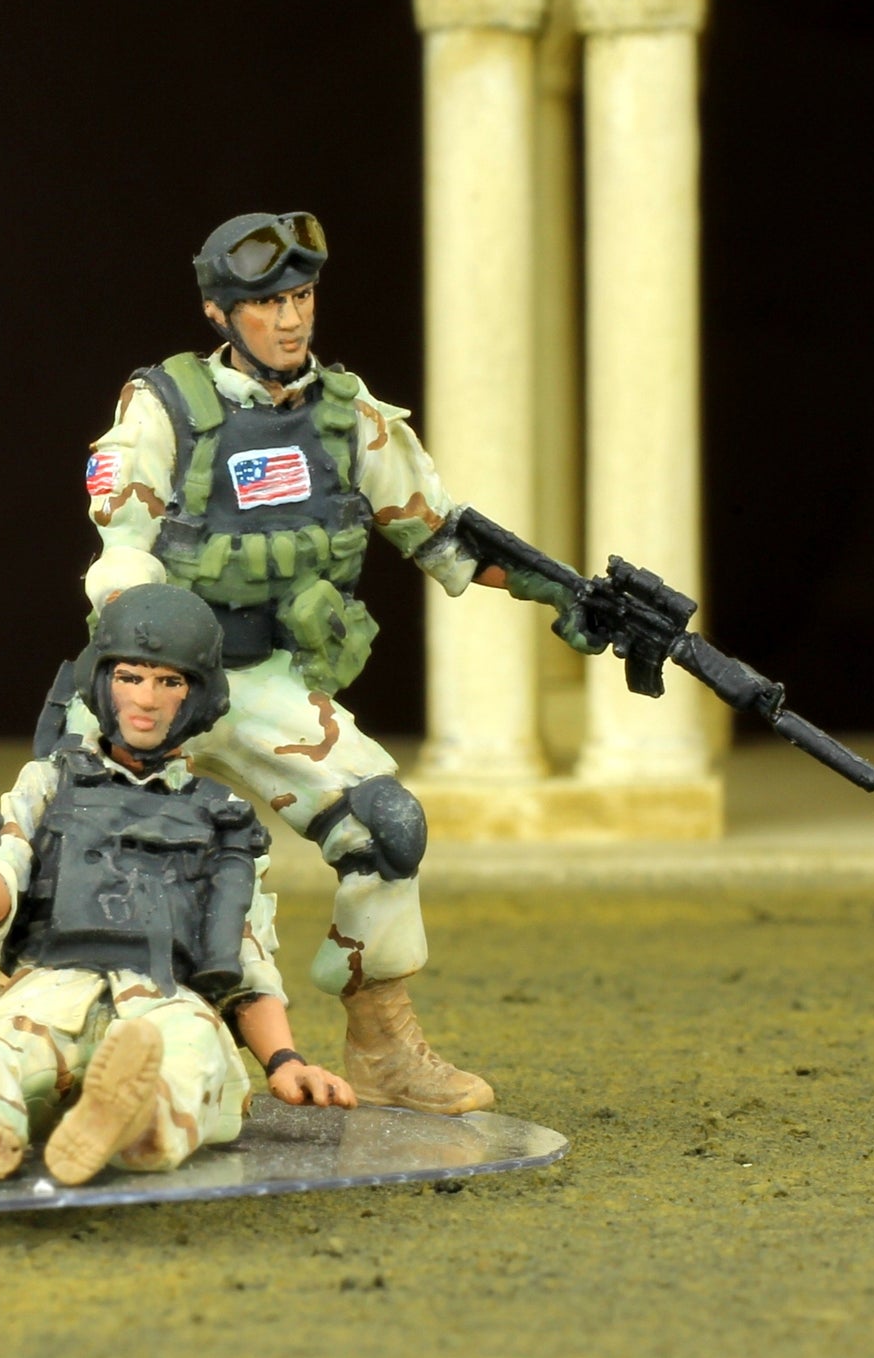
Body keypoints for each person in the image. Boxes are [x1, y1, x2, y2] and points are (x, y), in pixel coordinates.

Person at [75, 211, 595, 1115]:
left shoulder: (347, 414)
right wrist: (136, 667)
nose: (290, 319)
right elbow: (121, 549)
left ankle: (381, 1041)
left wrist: (565, 593)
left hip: (266, 682)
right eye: (267, 303)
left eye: (303, 296)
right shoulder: (163, 406)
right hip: (155, 681)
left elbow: (440, 535)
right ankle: (81, 1052)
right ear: (219, 311)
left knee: (385, 827)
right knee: (102, 861)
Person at [0, 584, 353, 1189]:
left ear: (196, 696)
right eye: (130, 677)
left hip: (168, 999)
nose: (146, 700)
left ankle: (126, 1123)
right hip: (51, 991)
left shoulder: (224, 819)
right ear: (102, 681)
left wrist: (285, 1060)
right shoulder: (48, 785)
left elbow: (246, 960)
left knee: (190, 1055)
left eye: (169, 682)